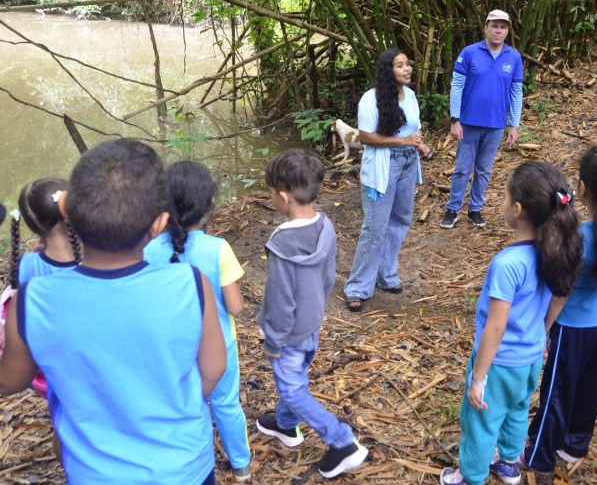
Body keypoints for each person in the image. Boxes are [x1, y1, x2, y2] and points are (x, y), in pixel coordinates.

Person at [0, 139, 227, 484]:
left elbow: (10, 380)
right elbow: (213, 368)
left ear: (68, 212)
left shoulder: (32, 300)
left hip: (96, 473)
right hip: (184, 466)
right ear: (159, 224)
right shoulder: (189, 283)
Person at [439, 162, 583, 485]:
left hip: (499, 363)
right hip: (531, 358)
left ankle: (472, 475)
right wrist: (542, 334)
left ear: (517, 209)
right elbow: (559, 298)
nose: (501, 202)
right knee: (518, 411)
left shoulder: (508, 264)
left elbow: (495, 327)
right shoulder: (556, 252)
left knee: (480, 420)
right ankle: (508, 464)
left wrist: (478, 377)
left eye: (504, 197)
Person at [522, 147, 597, 482]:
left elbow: (561, 291)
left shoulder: (582, 237)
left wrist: (544, 327)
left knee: (557, 392)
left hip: (572, 326)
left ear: (583, 188)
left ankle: (540, 456)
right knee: (589, 386)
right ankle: (575, 443)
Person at [256, 149, 368, 480]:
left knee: (292, 389)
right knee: (296, 379)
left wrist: (273, 340)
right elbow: (329, 276)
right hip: (312, 324)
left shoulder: (281, 243)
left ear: (283, 195)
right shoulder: (325, 227)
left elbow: (280, 300)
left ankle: (341, 441)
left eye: (271, 192)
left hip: (289, 334)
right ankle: (286, 425)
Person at [144, 161, 251, 481]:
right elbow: (234, 306)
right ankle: (241, 465)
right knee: (226, 404)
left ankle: (189, 461)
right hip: (220, 345)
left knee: (185, 402)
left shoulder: (148, 250)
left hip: (172, 346)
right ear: (207, 208)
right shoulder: (217, 248)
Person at [343, 48, 429, 312]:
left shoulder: (411, 96)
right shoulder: (371, 99)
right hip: (383, 165)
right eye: (400, 65)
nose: (407, 69)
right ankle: (357, 287)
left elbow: (414, 129)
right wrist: (401, 141)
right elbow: (366, 136)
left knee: (400, 220)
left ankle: (386, 275)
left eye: (407, 64)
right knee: (375, 227)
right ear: (387, 71)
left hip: (407, 164)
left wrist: (418, 144)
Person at [440, 9, 523, 229]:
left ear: (507, 31)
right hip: (468, 123)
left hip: (496, 124)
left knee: (484, 169)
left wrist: (514, 124)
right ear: (486, 27)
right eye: (494, 26)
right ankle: (453, 208)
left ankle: (475, 209)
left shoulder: (513, 57)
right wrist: (455, 119)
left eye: (503, 27)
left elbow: (516, 93)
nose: (498, 30)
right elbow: (456, 86)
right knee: (462, 168)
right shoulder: (469, 53)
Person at [3, 179, 82, 397]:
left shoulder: (27, 264)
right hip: (79, 362)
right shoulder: (88, 267)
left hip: (43, 366)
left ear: (32, 225)